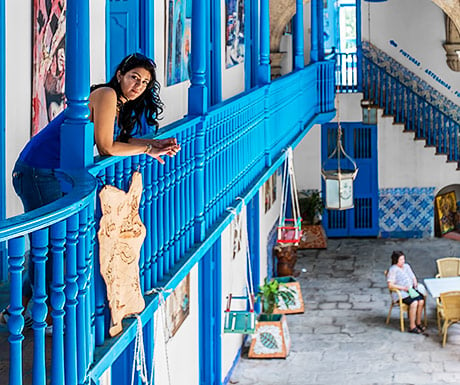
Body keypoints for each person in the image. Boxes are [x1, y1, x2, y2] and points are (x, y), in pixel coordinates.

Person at [0, 53, 181, 329]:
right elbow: (108, 147)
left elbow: (119, 140)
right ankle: (33, 311)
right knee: (50, 247)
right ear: (120, 74)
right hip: (37, 170)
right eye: (134, 77)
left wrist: (153, 144)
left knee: (50, 246)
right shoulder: (107, 94)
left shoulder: (117, 102)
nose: (138, 86)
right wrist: (146, 148)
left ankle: (20, 308)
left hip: (48, 171)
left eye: (144, 83)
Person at [387, 250, 426, 334]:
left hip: (411, 290)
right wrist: (403, 288)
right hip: (401, 293)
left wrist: (414, 281)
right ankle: (412, 326)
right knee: (414, 302)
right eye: (401, 260)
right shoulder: (393, 270)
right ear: (396, 260)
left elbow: (412, 276)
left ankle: (418, 322)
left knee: (421, 301)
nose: (403, 261)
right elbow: (390, 285)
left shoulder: (406, 266)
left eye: (403, 259)